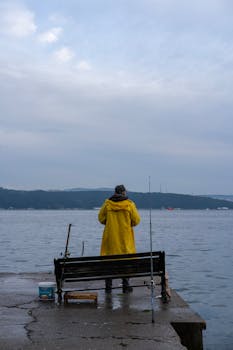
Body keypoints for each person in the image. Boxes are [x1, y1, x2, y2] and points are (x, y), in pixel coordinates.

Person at [98, 184, 140, 293]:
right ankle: (125, 285)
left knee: (109, 261)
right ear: (124, 193)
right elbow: (136, 221)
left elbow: (101, 219)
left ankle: (108, 286)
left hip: (111, 239)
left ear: (115, 192)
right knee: (126, 261)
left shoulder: (107, 204)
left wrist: (110, 222)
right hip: (125, 240)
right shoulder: (130, 204)